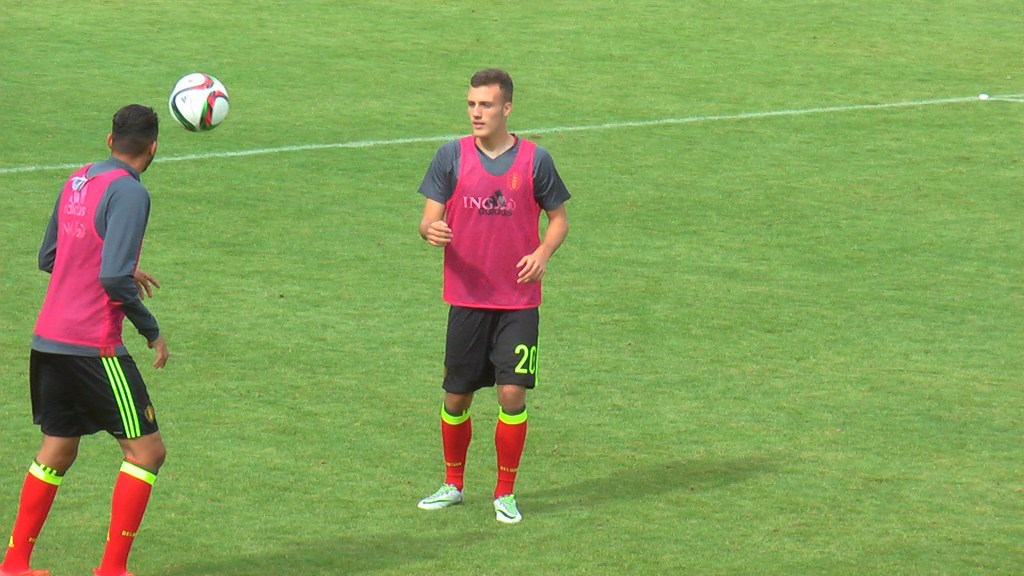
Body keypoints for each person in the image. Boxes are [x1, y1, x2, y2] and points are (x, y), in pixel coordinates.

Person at [1, 104, 170, 576]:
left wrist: (115, 266)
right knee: (146, 452)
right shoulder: (130, 192)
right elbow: (113, 279)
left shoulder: (77, 180)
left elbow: (49, 256)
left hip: (48, 340)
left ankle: (15, 563)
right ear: (154, 148)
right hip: (93, 346)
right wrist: (151, 330)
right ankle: (112, 570)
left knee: (58, 449)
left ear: (109, 141)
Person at [416, 69, 570, 524]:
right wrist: (431, 230)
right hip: (466, 298)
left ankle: (505, 493)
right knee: (456, 398)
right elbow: (427, 219)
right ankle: (453, 484)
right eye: (471, 104)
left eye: (485, 105)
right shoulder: (450, 156)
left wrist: (542, 253)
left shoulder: (536, 161)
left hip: (518, 301)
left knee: (512, 393)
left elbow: (559, 219)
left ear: (507, 108)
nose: (476, 113)